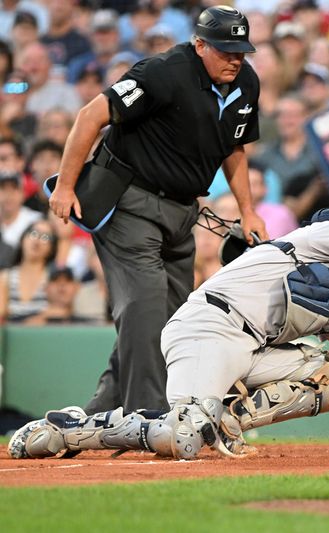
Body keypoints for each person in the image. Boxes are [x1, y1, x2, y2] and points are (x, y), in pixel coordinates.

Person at [8, 208, 329, 461]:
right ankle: (78, 428)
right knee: (184, 440)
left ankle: (228, 424)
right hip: (209, 327)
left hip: (254, 347)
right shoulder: (328, 234)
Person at [48, 6, 267, 415]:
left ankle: (101, 411)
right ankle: (148, 416)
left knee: (173, 318)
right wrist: (63, 184)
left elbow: (234, 146)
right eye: (225, 50)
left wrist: (248, 210)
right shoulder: (162, 72)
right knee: (145, 309)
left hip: (181, 212)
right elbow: (91, 115)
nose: (235, 59)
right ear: (200, 44)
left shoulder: (245, 83)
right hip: (129, 201)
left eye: (241, 50)